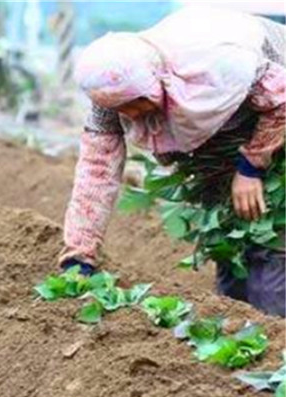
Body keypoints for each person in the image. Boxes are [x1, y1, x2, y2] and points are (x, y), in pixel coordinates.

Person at [60, 7, 285, 316]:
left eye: (137, 103)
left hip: (275, 111)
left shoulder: (217, 63)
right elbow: (96, 170)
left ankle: (276, 335)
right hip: (222, 144)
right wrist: (79, 256)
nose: (134, 115)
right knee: (229, 240)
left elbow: (281, 100)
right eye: (123, 109)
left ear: (154, 80)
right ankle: (237, 331)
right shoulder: (111, 94)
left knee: (271, 240)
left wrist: (251, 167)